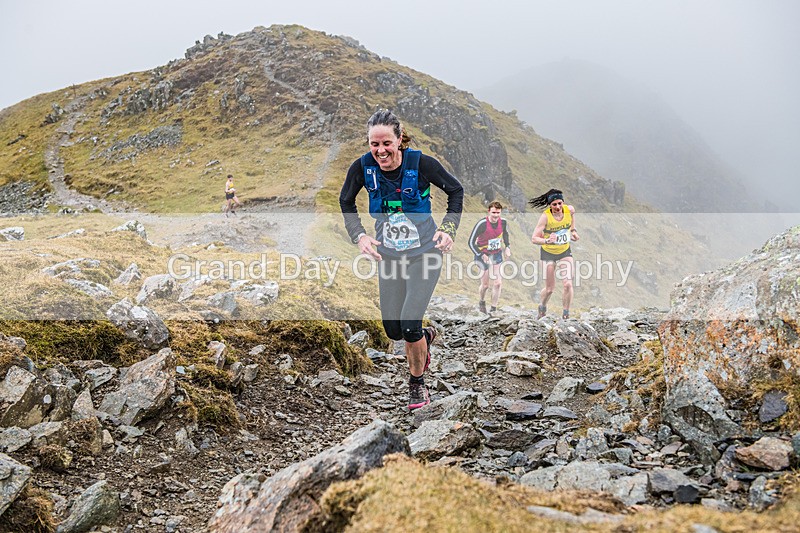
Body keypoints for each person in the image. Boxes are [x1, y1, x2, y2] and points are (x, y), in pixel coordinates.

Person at [340, 109, 463, 410]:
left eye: (386, 143)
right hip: (390, 256)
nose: (380, 151)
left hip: (425, 254)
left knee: (409, 325)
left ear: (399, 139)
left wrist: (448, 230)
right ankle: (425, 336)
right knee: (393, 330)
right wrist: (360, 235)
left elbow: (455, 191)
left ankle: (417, 384)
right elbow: (345, 201)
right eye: (374, 144)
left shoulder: (421, 164)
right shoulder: (362, 168)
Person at [530, 189, 579, 320]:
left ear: (563, 202)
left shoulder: (570, 210)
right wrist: (547, 240)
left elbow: (571, 221)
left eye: (559, 203)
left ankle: (566, 314)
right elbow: (534, 238)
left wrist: (573, 231)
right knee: (550, 289)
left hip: (564, 251)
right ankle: (542, 306)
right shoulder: (545, 217)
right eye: (554, 204)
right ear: (550, 205)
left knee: (568, 284)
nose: (557, 207)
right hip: (548, 253)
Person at [468, 201, 511, 314]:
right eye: (493, 213)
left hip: (496, 254)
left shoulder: (503, 222)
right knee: (485, 285)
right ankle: (482, 301)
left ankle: (493, 309)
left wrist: (507, 247)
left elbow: (505, 234)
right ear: (489, 212)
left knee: (498, 283)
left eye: (498, 213)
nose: (496, 215)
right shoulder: (482, 224)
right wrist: (481, 254)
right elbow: (471, 242)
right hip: (483, 255)